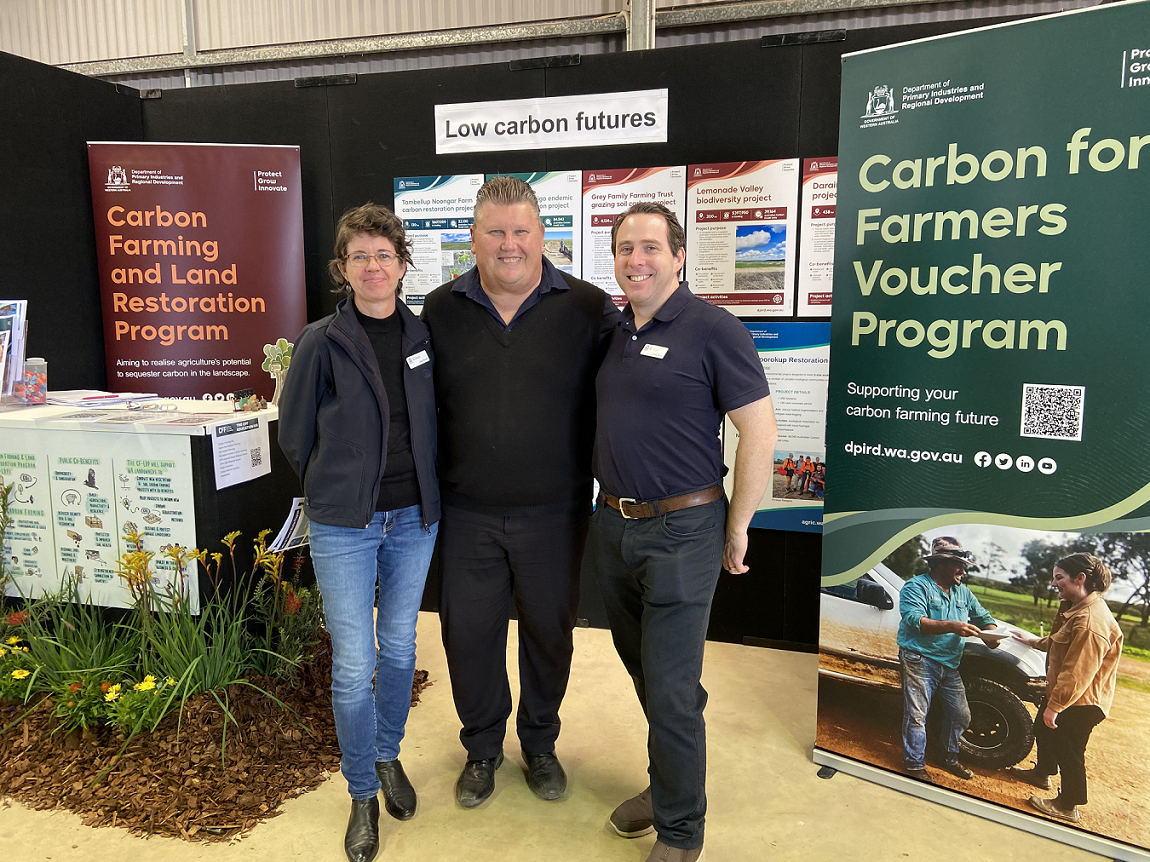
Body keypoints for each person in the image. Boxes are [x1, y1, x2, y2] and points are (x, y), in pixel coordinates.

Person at [586, 202, 777, 862]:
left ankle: (680, 830)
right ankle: (671, 779)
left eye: (649, 248)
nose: (635, 259)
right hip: (612, 525)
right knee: (651, 675)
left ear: (678, 256)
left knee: (668, 688)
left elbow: (759, 431)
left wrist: (740, 524)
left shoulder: (713, 329)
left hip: (684, 530)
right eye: (624, 249)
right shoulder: (616, 331)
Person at [421, 176, 619, 809]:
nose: (510, 245)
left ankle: (539, 744)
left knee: (548, 633)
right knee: (469, 634)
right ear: (473, 240)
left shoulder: (589, 309)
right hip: (466, 512)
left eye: (521, 231)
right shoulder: (441, 308)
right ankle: (482, 749)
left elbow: (632, 392)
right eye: (496, 232)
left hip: (555, 513)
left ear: (543, 236)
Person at [279, 203, 439, 862]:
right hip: (345, 524)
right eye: (360, 256)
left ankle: (386, 756)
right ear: (342, 269)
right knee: (355, 665)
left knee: (399, 649)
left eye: (385, 254)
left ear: (402, 264)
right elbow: (294, 433)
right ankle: (360, 796)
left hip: (413, 519)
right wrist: (336, 487)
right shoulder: (322, 340)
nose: (374, 267)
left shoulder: (424, 334)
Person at [1008, 553, 1123, 823]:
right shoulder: (1080, 609)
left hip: (1082, 701)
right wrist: (1034, 641)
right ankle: (1042, 774)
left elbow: (1078, 673)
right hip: (1072, 695)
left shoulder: (1090, 621)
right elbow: (1061, 641)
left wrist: (1055, 706)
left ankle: (1067, 806)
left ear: (1080, 579)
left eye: (1059, 578)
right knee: (1043, 730)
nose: (1053, 583)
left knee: (1069, 751)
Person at [896, 537, 1001, 784]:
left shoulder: (963, 592)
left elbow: (984, 616)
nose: (963, 571)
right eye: (958, 564)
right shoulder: (916, 586)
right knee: (917, 715)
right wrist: (951, 626)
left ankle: (947, 756)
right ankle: (914, 765)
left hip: (949, 663)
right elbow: (915, 621)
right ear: (940, 564)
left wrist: (991, 633)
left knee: (961, 714)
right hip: (919, 658)